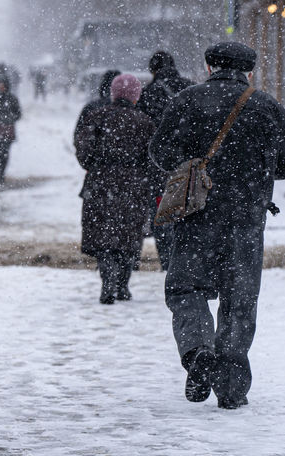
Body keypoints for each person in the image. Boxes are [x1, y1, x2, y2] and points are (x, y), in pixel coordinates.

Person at [149, 41, 285, 409]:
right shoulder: (268, 106)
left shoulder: (188, 99)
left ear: (209, 66)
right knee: (239, 301)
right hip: (246, 219)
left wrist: (195, 164)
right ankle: (231, 388)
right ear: (249, 71)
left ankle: (197, 352)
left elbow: (160, 153)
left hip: (198, 215)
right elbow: (284, 164)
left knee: (185, 289)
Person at [74, 74, 155, 304]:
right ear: (136, 96)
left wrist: (96, 165)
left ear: (113, 93)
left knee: (103, 233)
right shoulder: (144, 122)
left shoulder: (96, 117)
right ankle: (123, 284)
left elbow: (84, 151)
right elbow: (152, 158)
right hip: (133, 185)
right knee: (129, 235)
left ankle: (107, 280)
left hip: (100, 182)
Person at [137, 51, 196, 271]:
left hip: (159, 166)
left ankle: (167, 262)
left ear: (152, 70)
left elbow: (143, 133)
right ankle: (187, 260)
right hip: (190, 165)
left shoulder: (147, 94)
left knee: (161, 214)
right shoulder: (191, 89)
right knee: (189, 212)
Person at [0, 77, 21, 185]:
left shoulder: (12, 99)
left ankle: (1, 173)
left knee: (5, 153)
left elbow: (18, 114)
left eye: (3, 86)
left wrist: (8, 119)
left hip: (8, 130)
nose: (1, 88)